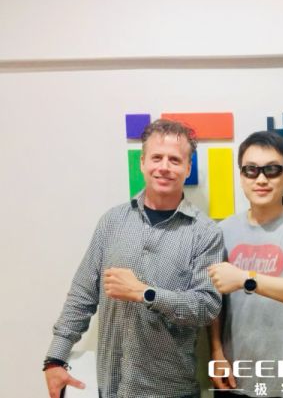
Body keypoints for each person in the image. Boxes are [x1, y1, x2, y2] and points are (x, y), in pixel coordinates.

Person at [43, 119, 224, 398]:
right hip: (111, 386)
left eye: (175, 160)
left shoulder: (205, 232)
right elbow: (82, 294)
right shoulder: (112, 222)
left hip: (171, 389)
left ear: (188, 168)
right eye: (157, 158)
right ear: (142, 163)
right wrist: (55, 358)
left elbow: (206, 306)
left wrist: (146, 293)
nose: (164, 167)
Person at [208, 131, 283, 398]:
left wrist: (246, 279)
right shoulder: (221, 231)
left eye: (271, 170)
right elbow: (214, 301)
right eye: (251, 170)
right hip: (233, 376)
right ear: (241, 177)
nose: (261, 179)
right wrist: (216, 351)